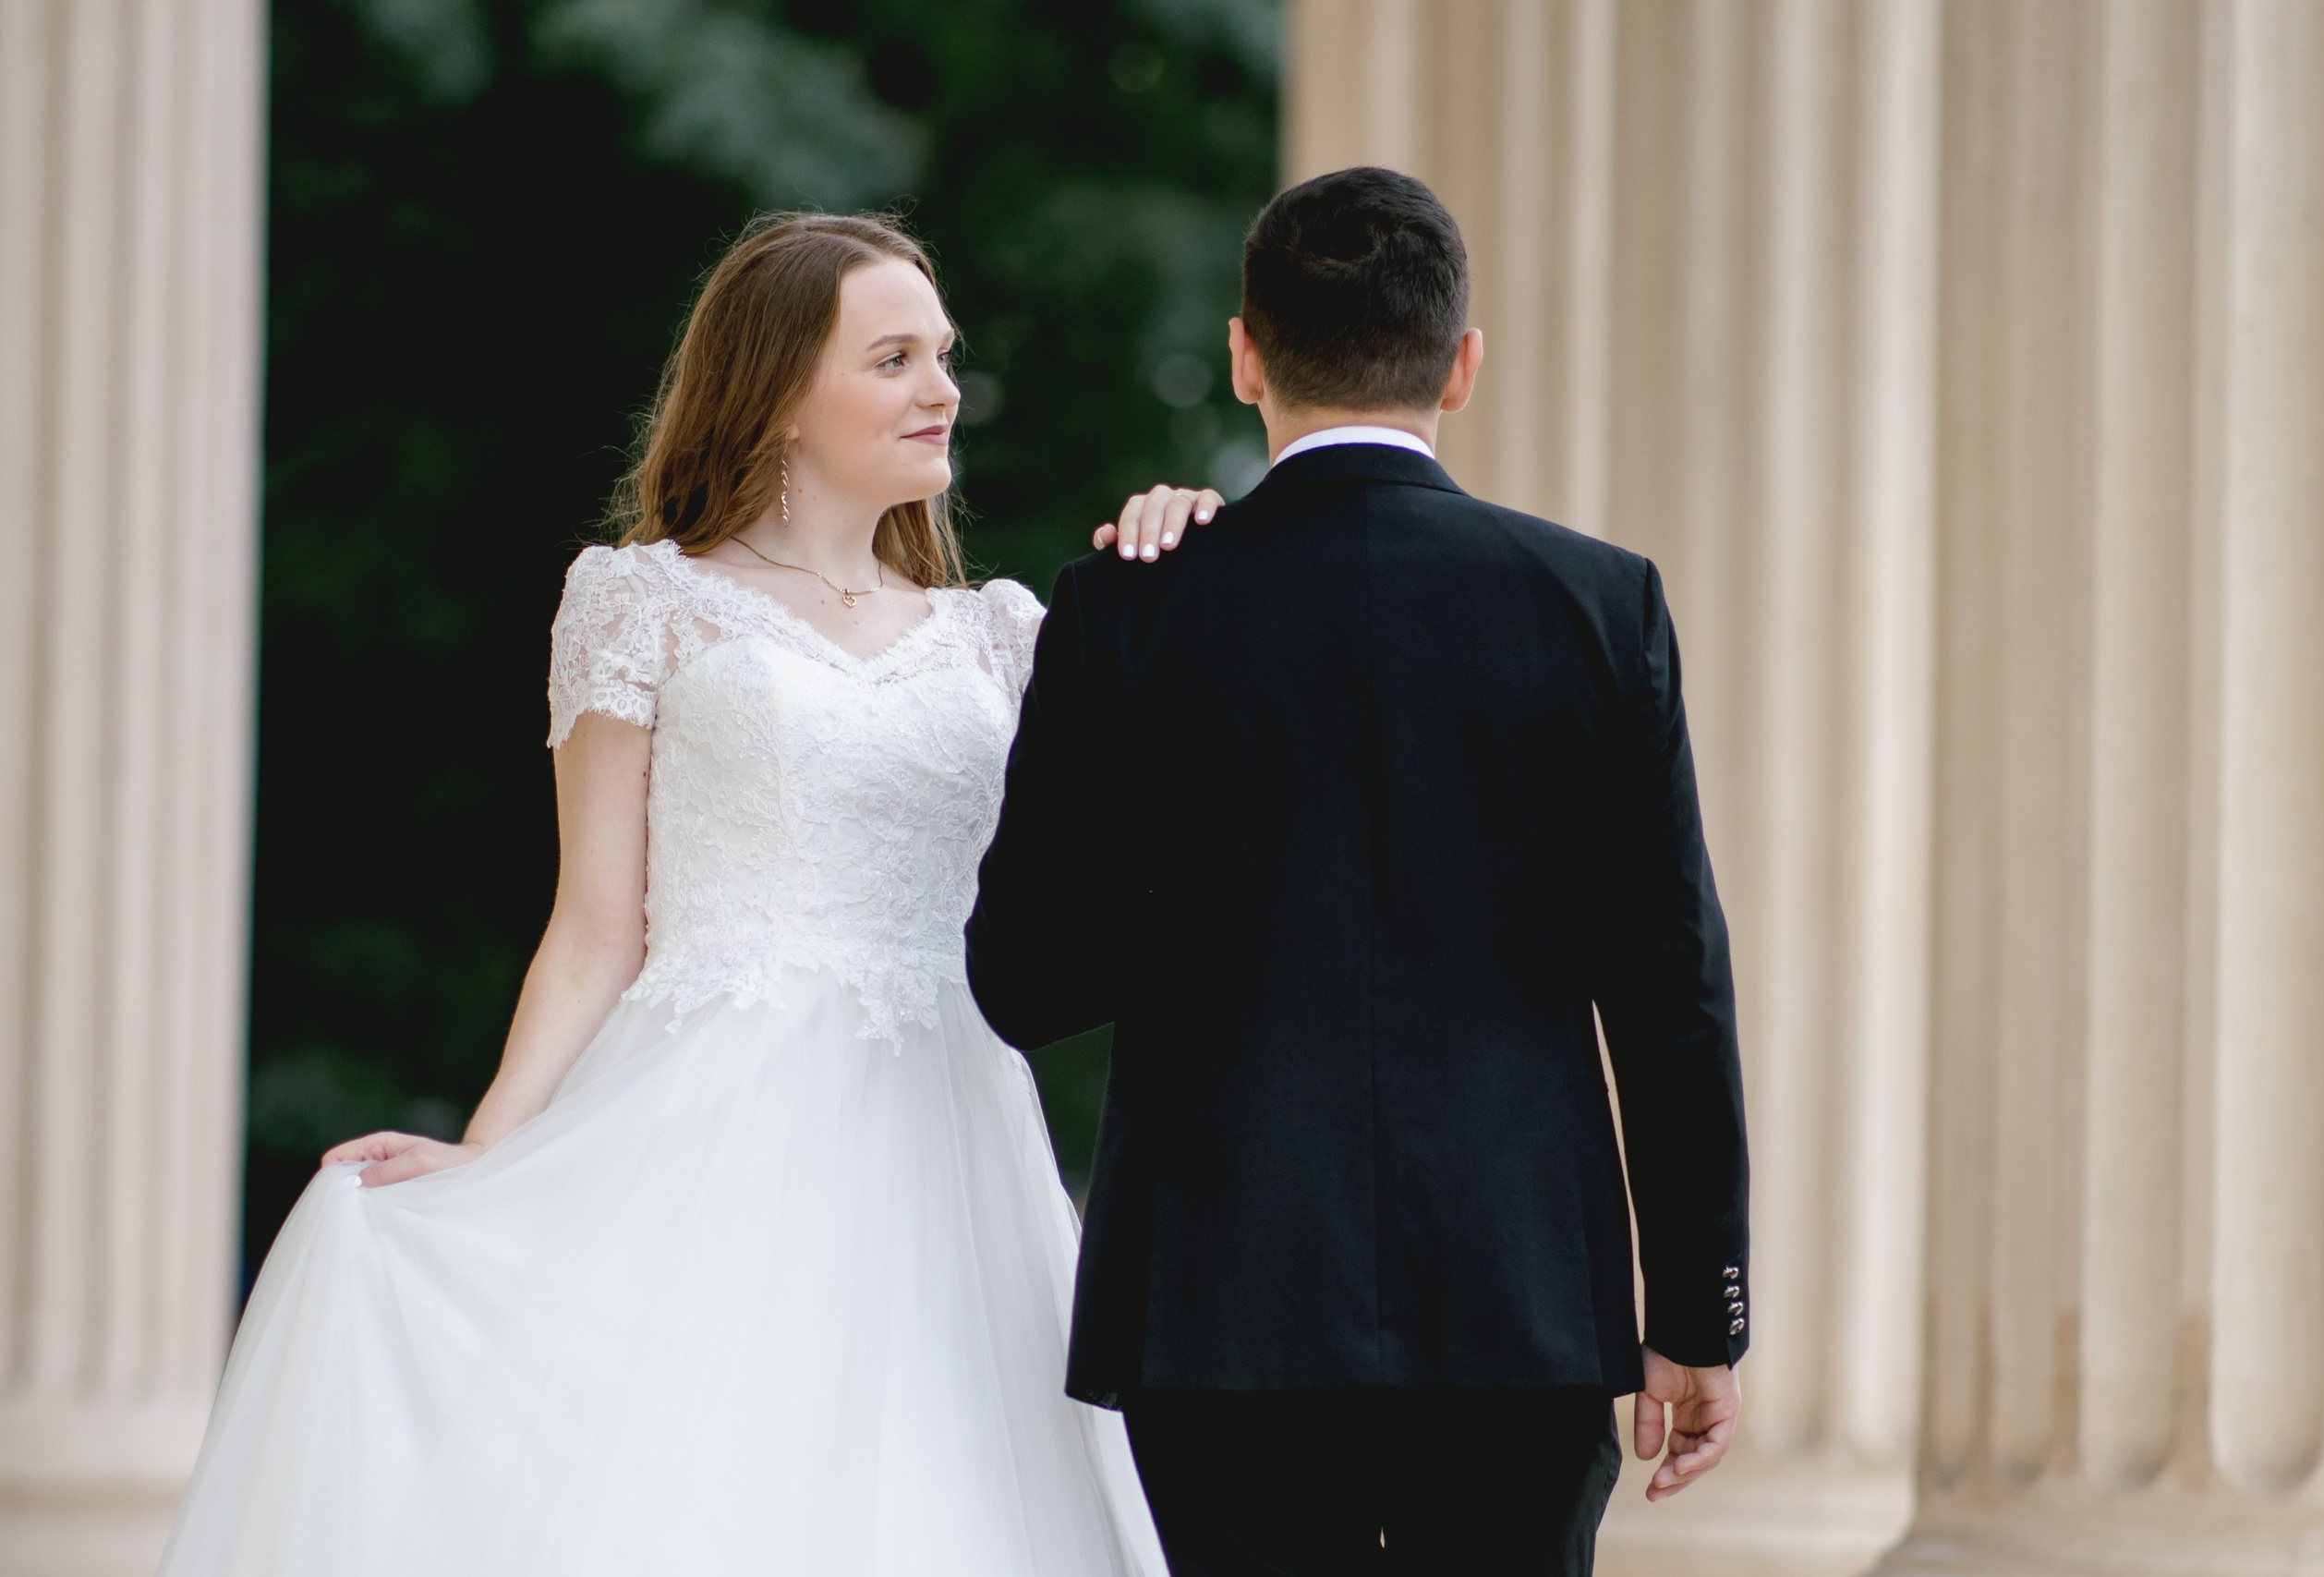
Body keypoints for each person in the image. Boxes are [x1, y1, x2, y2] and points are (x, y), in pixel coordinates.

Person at [157, 212, 1217, 1576]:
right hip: (706, 1119)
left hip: (954, 1136)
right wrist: (494, 1155)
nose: (942, 389)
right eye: (893, 359)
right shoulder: (641, 601)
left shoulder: (1004, 632)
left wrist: (1186, 551)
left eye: (943, 356)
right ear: (779, 395)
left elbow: (1151, 835)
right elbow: (595, 931)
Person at [965, 166, 1750, 1577]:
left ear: (1244, 352)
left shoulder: (1125, 608)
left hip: (1217, 1298)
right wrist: (1700, 1314)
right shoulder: (1598, 603)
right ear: (1463, 365)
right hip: (1522, 1299)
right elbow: (1670, 984)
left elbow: (1023, 979)